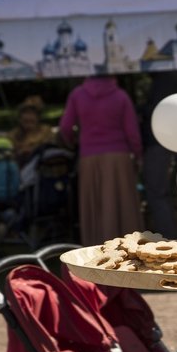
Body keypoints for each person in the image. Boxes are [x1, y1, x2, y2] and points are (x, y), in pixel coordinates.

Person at [59, 75, 144, 246]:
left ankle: (96, 247)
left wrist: (73, 142)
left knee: (95, 206)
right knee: (122, 204)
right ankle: (129, 247)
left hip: (89, 157)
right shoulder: (120, 96)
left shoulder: (77, 95)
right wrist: (138, 155)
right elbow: (132, 131)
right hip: (118, 157)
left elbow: (65, 127)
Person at [139, 72, 177, 239]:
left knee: (157, 193)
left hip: (158, 144)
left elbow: (156, 109)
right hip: (163, 142)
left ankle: (167, 237)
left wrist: (140, 109)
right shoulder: (168, 78)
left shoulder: (163, 81)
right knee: (160, 193)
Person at [6, 99, 55, 168]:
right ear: (20, 118)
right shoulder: (13, 134)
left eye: (32, 114)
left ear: (38, 117)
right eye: (26, 113)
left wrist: (33, 150)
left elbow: (50, 149)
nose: (29, 117)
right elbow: (8, 154)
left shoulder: (46, 131)